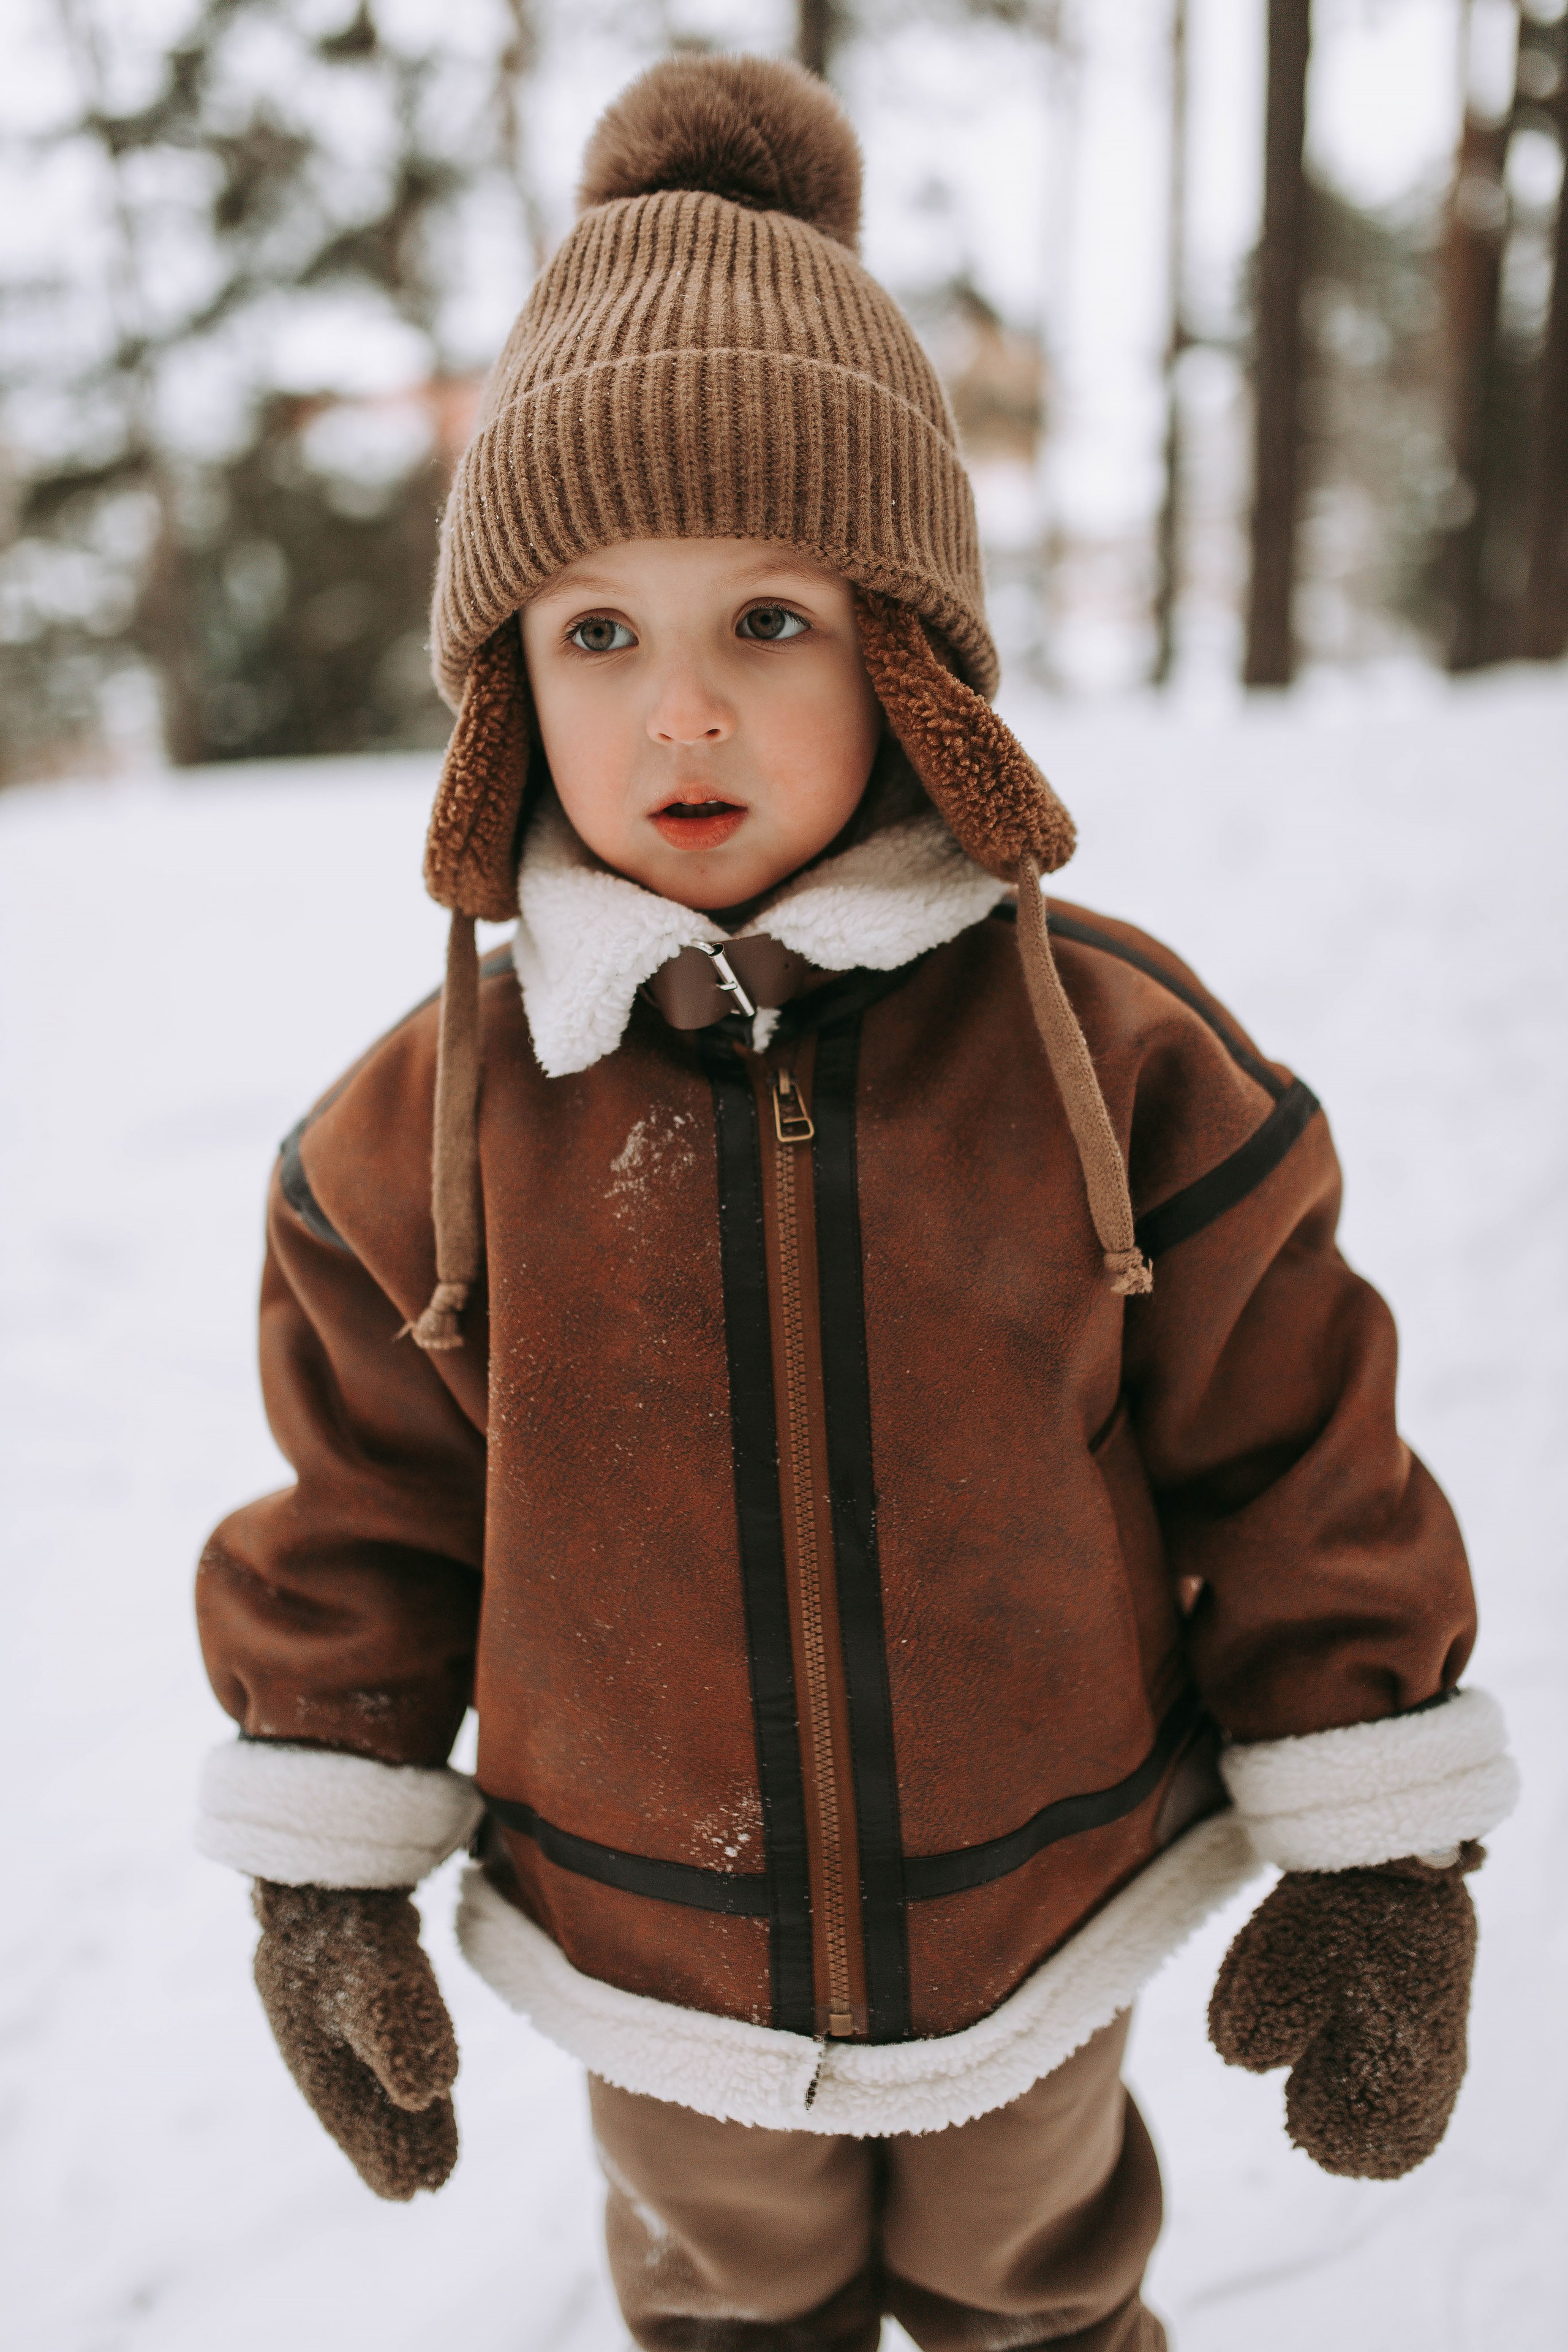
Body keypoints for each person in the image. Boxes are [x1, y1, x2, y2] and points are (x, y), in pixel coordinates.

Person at [194, 56, 1518, 2352]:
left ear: (906, 656)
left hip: (1042, 1921)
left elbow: (1297, 1450)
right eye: (597, 633)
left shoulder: (1112, 1068)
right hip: (654, 1948)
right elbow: (369, 1521)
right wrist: (329, 1877)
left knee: (1038, 2283)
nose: (678, 715)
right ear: (504, 688)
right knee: (730, 2302)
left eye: (768, 624)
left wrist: (1383, 1838)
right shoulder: (420, 1138)